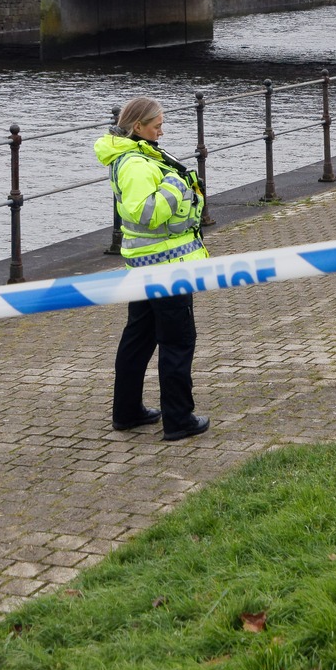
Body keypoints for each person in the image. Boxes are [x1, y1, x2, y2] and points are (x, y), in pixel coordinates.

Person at [95, 96, 212, 442]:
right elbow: (145, 213)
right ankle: (179, 420)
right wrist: (178, 186)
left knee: (139, 338)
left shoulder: (139, 154)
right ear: (138, 127)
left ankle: (127, 412)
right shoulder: (134, 163)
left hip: (148, 264)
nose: (162, 131)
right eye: (157, 125)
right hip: (166, 265)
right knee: (177, 342)